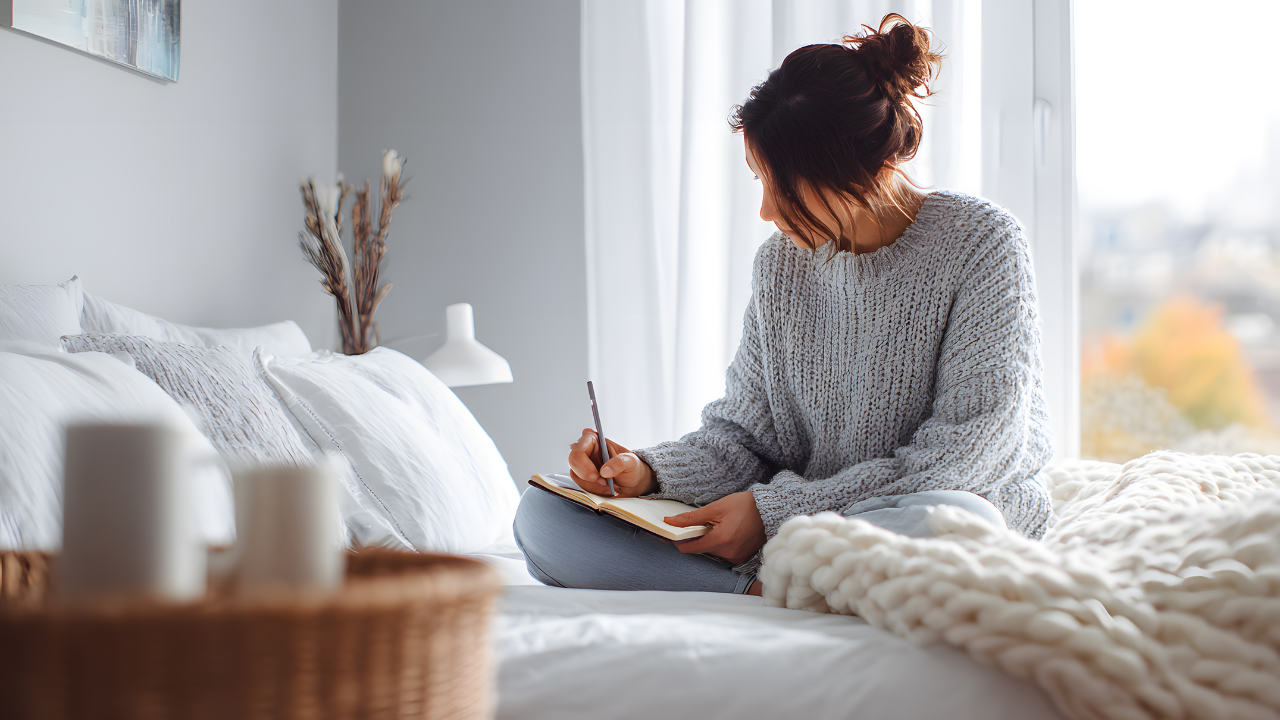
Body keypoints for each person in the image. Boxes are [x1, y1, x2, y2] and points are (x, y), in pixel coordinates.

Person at [514, 13, 1052, 596]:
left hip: (928, 507)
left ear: (856, 169)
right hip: (807, 526)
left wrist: (774, 515)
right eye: (758, 181)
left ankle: (768, 579)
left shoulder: (983, 243)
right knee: (543, 518)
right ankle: (770, 587)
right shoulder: (780, 265)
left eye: (783, 186)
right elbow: (743, 439)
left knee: (957, 519)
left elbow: (965, 457)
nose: (767, 212)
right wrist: (646, 473)